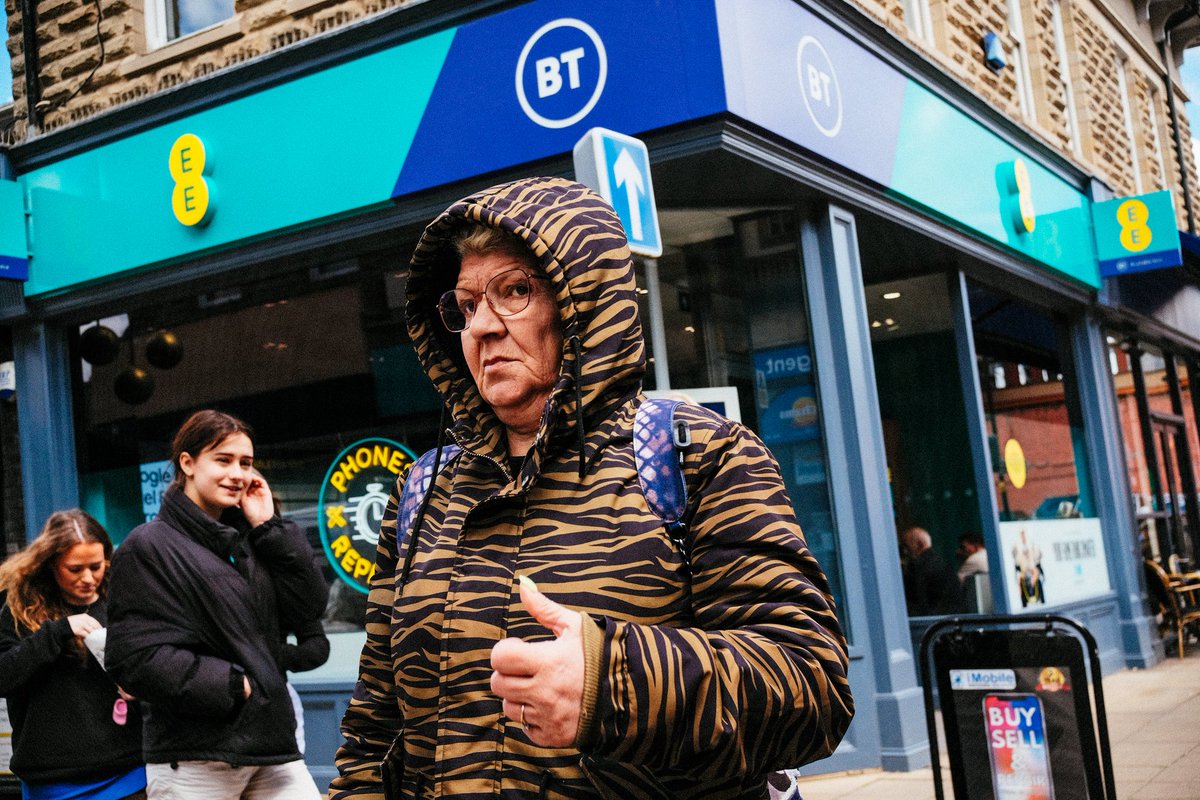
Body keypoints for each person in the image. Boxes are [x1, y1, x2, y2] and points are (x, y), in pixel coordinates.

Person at [330, 177, 853, 799]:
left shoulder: (696, 456)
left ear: (582, 301)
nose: (482, 328)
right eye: (467, 306)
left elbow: (812, 684)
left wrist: (613, 684)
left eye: (515, 291)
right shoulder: (425, 491)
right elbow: (374, 731)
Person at [105, 410, 325, 799]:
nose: (237, 474)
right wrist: (231, 686)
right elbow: (134, 658)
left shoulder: (253, 540)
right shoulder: (148, 546)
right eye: (222, 460)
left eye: (246, 463)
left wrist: (270, 527)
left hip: (272, 748)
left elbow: (308, 608)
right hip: (194, 758)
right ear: (187, 463)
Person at [0, 509, 146, 799]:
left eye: (97, 566)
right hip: (53, 781)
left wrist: (141, 685)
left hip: (128, 772)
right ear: (51, 564)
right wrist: (58, 631)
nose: (89, 578)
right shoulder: (18, 609)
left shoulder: (122, 600)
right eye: (75, 569)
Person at [900, 526, 964, 616]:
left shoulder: (918, 567)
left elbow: (916, 601)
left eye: (906, 546)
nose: (905, 551)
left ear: (920, 544)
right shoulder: (943, 564)